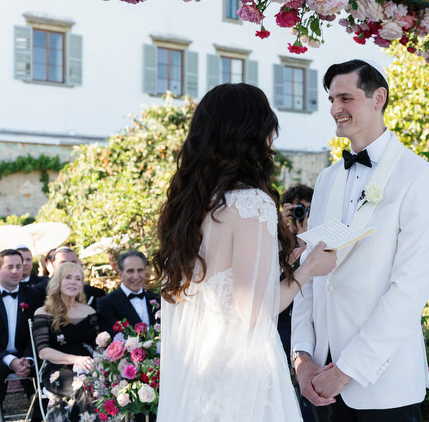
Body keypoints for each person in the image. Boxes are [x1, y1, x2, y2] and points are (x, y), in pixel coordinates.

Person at [153, 83, 337, 421]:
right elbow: (254, 309)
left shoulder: (190, 206)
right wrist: (308, 268)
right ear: (252, 134)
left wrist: (279, 270)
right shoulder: (251, 203)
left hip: (197, 376)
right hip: (242, 377)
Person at [291, 59, 429, 422]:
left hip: (382, 384)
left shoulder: (420, 178)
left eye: (345, 98)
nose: (334, 109)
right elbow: (310, 273)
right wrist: (301, 358)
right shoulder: (328, 178)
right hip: (320, 383)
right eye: (331, 99)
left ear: (379, 97)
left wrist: (346, 370)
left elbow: (409, 290)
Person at [32, 262, 98, 422]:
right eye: (68, 277)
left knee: (108, 387)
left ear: (82, 284)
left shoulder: (90, 311)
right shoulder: (44, 312)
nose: (73, 282)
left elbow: (99, 345)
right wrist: (76, 360)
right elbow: (43, 352)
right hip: (57, 369)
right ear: (58, 281)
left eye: (77, 279)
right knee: (81, 387)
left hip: (90, 367)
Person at [280, 184, 316, 422]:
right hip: (279, 335)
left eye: (305, 210)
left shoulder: (318, 241)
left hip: (309, 340)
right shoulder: (271, 243)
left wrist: (307, 236)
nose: (299, 216)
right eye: (294, 211)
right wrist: (281, 230)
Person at [0, 249, 43, 410]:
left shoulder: (34, 296)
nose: (16, 271)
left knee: (45, 372)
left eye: (19, 266)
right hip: (1, 356)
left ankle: (41, 416)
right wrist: (11, 361)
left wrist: (28, 359)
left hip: (27, 354)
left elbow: (38, 333)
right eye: (9, 267)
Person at [97, 250, 160, 334]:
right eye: (130, 271)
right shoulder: (106, 303)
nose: (136, 276)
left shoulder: (156, 299)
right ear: (120, 274)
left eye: (140, 270)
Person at [35, 247, 105, 308]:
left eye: (72, 262)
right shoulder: (39, 291)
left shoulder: (93, 292)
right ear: (53, 264)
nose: (68, 266)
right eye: (63, 263)